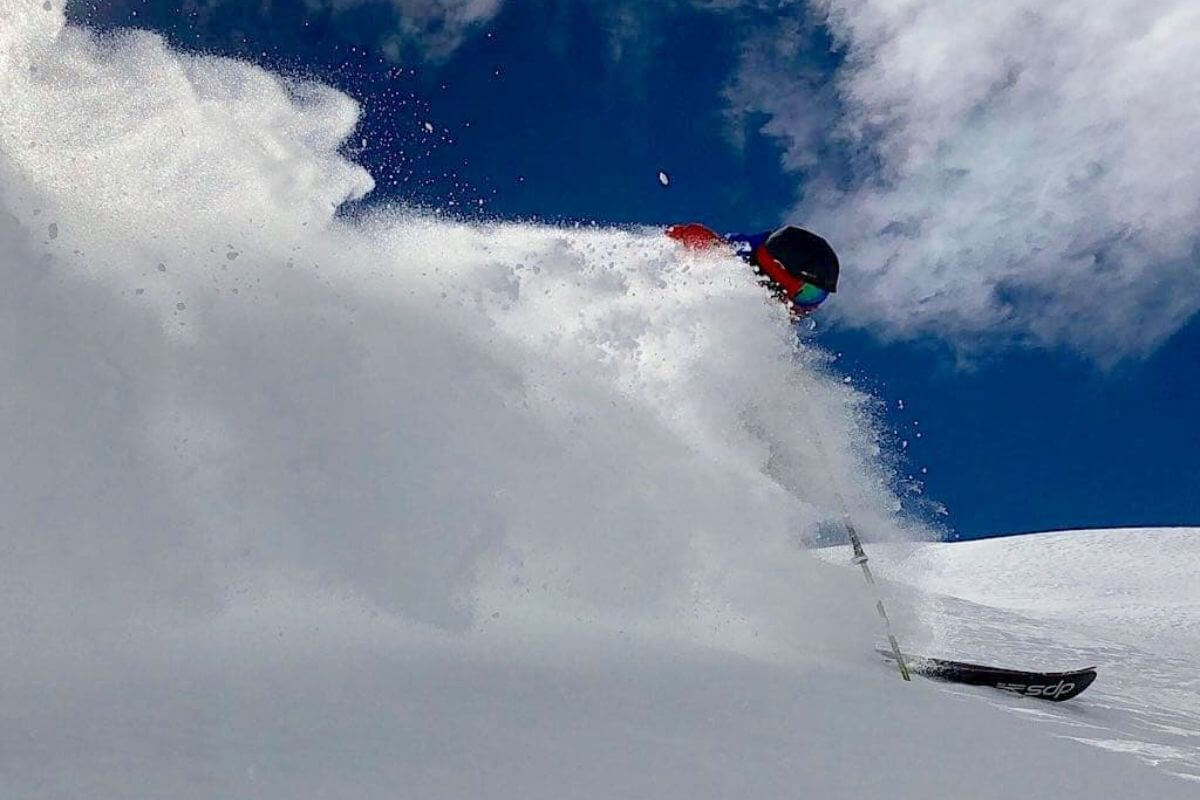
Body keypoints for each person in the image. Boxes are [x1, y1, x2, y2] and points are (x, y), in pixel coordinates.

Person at [666, 223, 839, 318]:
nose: (808, 308)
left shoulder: (770, 314)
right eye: (807, 293)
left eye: (818, 297)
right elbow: (690, 236)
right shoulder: (731, 265)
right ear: (779, 273)